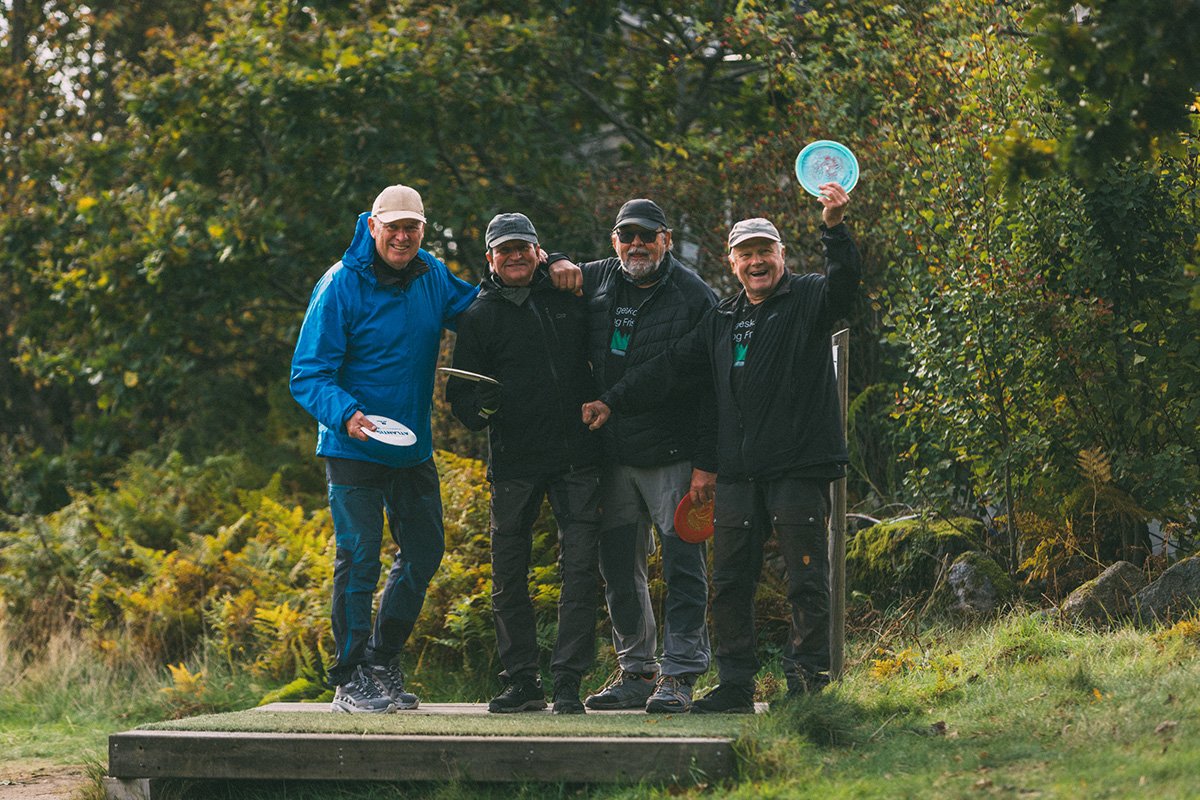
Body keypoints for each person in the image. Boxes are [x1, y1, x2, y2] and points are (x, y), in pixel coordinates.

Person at [582, 182, 860, 713]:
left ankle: (807, 682)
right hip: (737, 474)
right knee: (730, 583)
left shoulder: (808, 299)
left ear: (781, 255)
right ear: (731, 262)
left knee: (806, 578)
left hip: (798, 467)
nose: (756, 261)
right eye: (746, 253)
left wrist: (835, 229)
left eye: (765, 251)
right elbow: (667, 369)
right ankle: (735, 683)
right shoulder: (723, 317)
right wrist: (612, 400)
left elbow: (846, 288)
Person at [290, 184, 478, 713]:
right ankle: (350, 679)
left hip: (411, 449)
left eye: (411, 227)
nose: (401, 236)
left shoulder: (432, 275)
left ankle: (381, 661)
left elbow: (480, 311)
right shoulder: (340, 285)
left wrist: (544, 267)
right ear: (371, 226)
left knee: (425, 551)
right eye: (391, 226)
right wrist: (347, 413)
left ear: (423, 229)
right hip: (352, 448)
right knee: (359, 561)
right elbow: (307, 374)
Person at [554, 199, 718, 714]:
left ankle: (681, 674)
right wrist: (556, 258)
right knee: (619, 567)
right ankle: (637, 671)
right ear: (613, 242)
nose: (636, 244)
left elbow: (712, 386)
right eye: (627, 236)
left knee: (683, 564)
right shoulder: (600, 277)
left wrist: (706, 464)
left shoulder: (695, 295)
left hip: (673, 453)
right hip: (611, 456)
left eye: (647, 235)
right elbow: (543, 270)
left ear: (666, 239)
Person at [445, 212, 603, 715]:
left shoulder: (569, 296)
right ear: (489, 258)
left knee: (579, 571)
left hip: (578, 456)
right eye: (504, 249)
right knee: (509, 575)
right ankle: (521, 682)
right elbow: (461, 398)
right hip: (513, 464)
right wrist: (484, 409)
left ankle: (567, 683)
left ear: (539, 251)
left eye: (524, 247)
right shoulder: (478, 315)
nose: (515, 256)